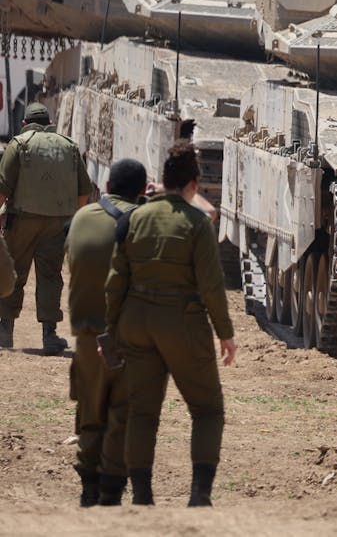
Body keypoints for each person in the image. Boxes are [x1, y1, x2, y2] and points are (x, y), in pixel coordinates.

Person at [104, 142, 236, 506]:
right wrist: (225, 334)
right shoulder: (196, 223)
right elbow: (211, 286)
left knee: (142, 411)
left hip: (135, 322)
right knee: (208, 410)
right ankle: (199, 496)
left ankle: (143, 496)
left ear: (162, 181)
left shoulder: (135, 217)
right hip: (182, 324)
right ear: (194, 185)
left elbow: (116, 280)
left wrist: (109, 331)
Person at [66, 158, 148, 507]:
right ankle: (112, 491)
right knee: (123, 413)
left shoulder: (82, 217)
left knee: (90, 410)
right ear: (142, 190)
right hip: (130, 339)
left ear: (108, 186)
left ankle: (88, 485)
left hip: (88, 336)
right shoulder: (146, 223)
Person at [0, 102, 93, 354]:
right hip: (57, 223)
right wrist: (70, 217)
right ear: (48, 121)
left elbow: (3, 188)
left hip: (21, 221)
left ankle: (5, 331)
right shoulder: (69, 145)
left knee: (14, 272)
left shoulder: (19, 143)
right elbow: (85, 190)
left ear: (24, 123)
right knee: (51, 276)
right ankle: (50, 335)